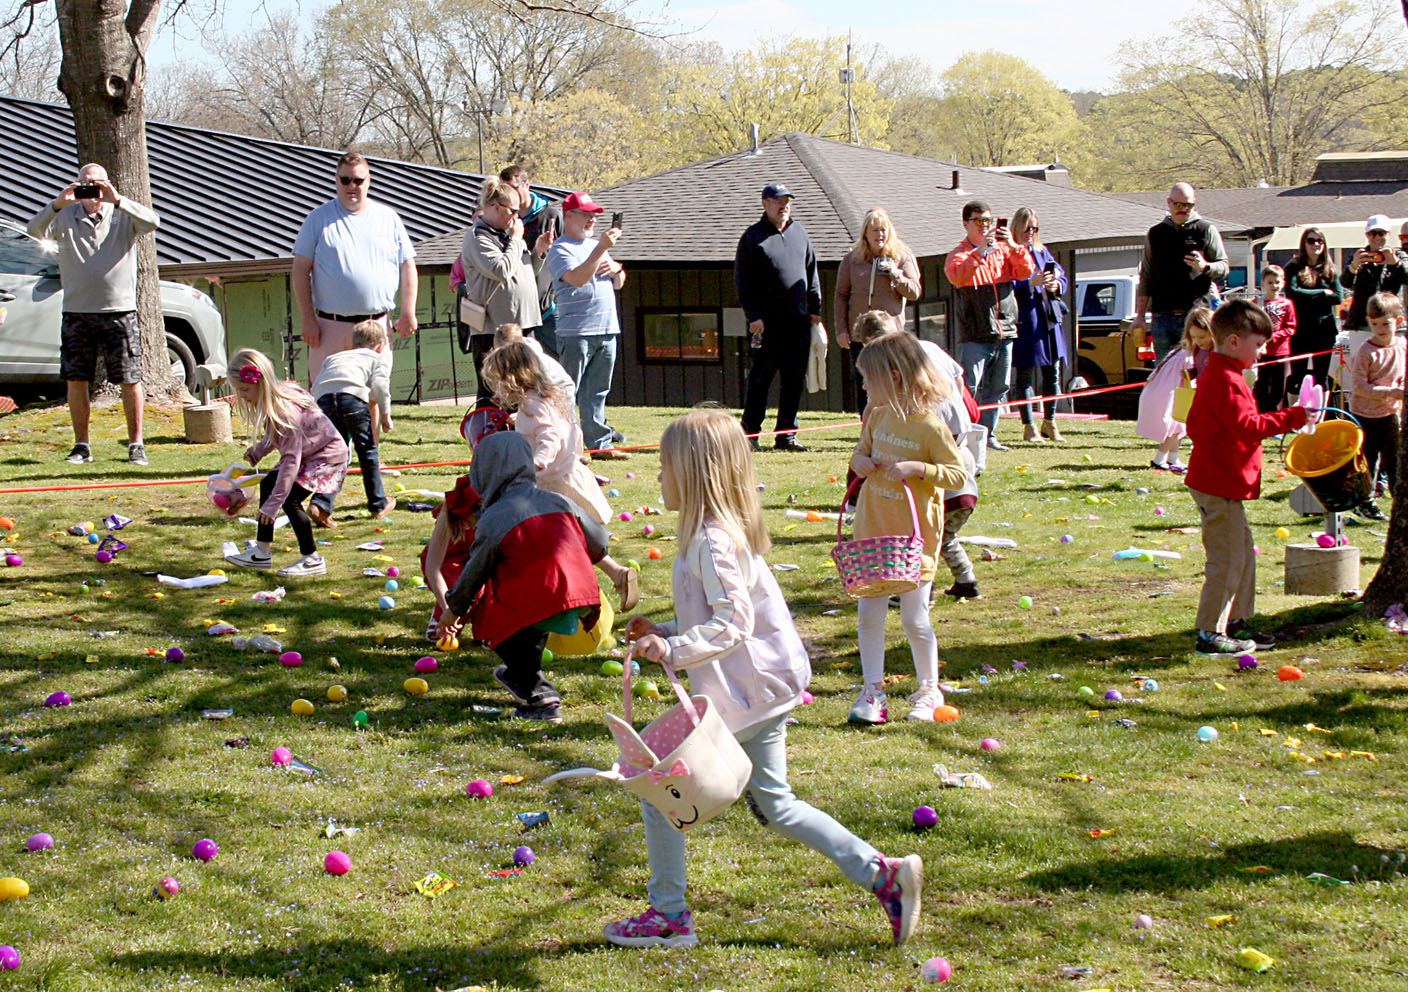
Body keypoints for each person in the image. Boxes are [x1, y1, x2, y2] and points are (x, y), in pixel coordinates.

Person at [608, 408, 923, 949]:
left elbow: (734, 621)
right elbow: (716, 614)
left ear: (694, 472)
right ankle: (883, 875)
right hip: (761, 690)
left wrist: (675, 646)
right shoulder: (712, 536)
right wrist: (663, 628)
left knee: (662, 789)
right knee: (777, 805)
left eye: (665, 467)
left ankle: (668, 916)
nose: (659, 478)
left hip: (745, 694)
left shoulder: (712, 541)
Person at [438, 432, 610, 723]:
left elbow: (476, 570)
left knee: (493, 623)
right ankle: (523, 675)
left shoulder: (494, 518)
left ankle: (541, 698)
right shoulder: (560, 501)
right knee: (529, 630)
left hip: (537, 600)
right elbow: (600, 542)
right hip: (578, 596)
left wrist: (453, 609)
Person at [847, 333, 969, 724]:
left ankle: (929, 688)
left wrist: (918, 469)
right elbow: (860, 451)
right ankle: (872, 691)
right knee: (869, 616)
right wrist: (861, 461)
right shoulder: (877, 416)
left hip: (914, 541)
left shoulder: (930, 428)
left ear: (895, 377)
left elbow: (956, 474)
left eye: (869, 379)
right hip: (872, 533)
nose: (864, 386)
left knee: (914, 618)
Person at [1184, 299, 1309, 657]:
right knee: (1226, 560)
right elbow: (1246, 427)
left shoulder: (1228, 376)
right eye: (1258, 345)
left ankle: (1237, 620)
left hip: (1225, 482)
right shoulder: (1224, 379)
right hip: (1216, 484)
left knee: (1244, 555)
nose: (1263, 351)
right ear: (1235, 342)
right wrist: (1292, 417)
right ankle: (1209, 632)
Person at [479, 341, 640, 610]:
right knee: (574, 540)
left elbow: (549, 438)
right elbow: (558, 428)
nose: (498, 389)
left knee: (562, 544)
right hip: (566, 476)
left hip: (555, 485)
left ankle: (575, 595)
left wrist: (535, 463)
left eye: (499, 381)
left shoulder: (533, 404)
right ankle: (612, 575)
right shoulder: (544, 398)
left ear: (513, 377)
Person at [27, 162, 160, 466]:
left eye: (98, 183)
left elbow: (153, 222)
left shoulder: (123, 215)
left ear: (107, 184)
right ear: (77, 184)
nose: (92, 189)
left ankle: (136, 444)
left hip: (119, 311)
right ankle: (82, 445)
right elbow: (34, 230)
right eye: (86, 183)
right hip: (77, 311)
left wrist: (118, 200)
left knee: (130, 379)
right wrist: (58, 204)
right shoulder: (65, 217)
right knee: (77, 379)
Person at [854, 311, 983, 599]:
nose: (865, 384)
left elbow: (950, 468)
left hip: (943, 472)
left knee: (929, 535)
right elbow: (959, 381)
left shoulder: (920, 420)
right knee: (935, 536)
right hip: (960, 446)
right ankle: (959, 582)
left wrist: (917, 466)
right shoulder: (926, 354)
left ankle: (919, 589)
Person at [291, 152, 417, 382]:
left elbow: (408, 266)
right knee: (330, 396)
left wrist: (408, 312)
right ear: (336, 180)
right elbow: (300, 270)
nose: (352, 186)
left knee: (374, 397)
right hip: (330, 327)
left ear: (369, 180)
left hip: (376, 325)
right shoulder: (318, 219)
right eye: (345, 180)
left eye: (358, 180)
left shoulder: (388, 218)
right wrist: (308, 319)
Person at [223, 349, 349, 578]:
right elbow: (276, 435)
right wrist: (259, 451)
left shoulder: (286, 413)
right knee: (268, 484)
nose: (242, 396)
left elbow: (291, 461)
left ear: (262, 384)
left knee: (289, 500)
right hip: (312, 451)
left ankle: (312, 559)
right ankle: (261, 553)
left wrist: (273, 505)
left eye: (244, 389)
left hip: (326, 457)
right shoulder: (276, 399)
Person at [735, 182, 826, 452]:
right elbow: (743, 282)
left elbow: (811, 275)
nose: (784, 206)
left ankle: (786, 436)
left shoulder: (800, 233)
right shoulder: (753, 237)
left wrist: (815, 312)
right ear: (765, 204)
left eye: (787, 201)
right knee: (760, 380)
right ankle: (750, 435)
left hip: (797, 322)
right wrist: (753, 316)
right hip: (765, 324)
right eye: (778, 201)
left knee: (794, 380)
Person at [944, 200, 1036, 452]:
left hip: (1005, 330)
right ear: (966, 224)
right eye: (978, 221)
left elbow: (1025, 271)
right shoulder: (959, 253)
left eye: (988, 221)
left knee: (998, 388)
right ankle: (961, 436)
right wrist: (980, 252)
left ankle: (989, 435)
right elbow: (958, 275)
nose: (985, 226)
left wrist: (1014, 245)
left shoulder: (1003, 251)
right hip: (976, 333)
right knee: (968, 387)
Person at [545, 192, 629, 460]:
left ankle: (600, 445)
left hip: (606, 328)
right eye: (586, 214)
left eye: (594, 215)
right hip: (576, 332)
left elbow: (619, 281)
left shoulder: (596, 245)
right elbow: (578, 278)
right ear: (569, 216)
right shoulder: (560, 249)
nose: (592, 219)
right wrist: (601, 249)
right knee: (568, 393)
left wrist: (616, 270)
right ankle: (569, 448)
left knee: (597, 392)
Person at [462, 177, 552, 403]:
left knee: (524, 384)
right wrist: (515, 238)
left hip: (523, 322)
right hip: (492, 328)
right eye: (512, 211)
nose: (517, 217)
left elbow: (525, 270)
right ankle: (487, 434)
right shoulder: (477, 236)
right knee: (493, 389)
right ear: (494, 207)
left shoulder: (511, 235)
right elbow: (501, 270)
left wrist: (538, 252)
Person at [306, 319, 395, 524]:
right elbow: (380, 387)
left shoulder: (334, 357)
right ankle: (378, 503)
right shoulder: (376, 358)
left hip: (325, 400)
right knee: (367, 450)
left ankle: (321, 503)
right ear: (381, 346)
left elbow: (318, 383)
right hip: (352, 399)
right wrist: (386, 416)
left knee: (337, 453)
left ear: (353, 344)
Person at [834, 207, 921, 412]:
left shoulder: (902, 257)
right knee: (864, 382)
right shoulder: (852, 259)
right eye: (874, 230)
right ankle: (868, 429)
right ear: (865, 233)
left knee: (893, 379)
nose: (879, 235)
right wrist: (841, 330)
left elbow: (914, 292)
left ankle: (895, 423)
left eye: (883, 230)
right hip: (861, 336)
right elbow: (840, 295)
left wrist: (895, 274)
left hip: (890, 335)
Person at [1131, 183, 1229, 361]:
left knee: (1197, 370)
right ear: (1169, 203)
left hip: (1196, 317)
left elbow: (1224, 267)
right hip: (1162, 317)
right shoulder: (1155, 233)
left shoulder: (1206, 230)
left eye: (1188, 205)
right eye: (1179, 205)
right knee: (1165, 373)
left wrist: (1206, 267)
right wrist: (1139, 316)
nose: (1184, 209)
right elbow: (1146, 276)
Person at [1009, 207, 1068, 443]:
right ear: (1016, 229)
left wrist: (1056, 285)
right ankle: (1029, 425)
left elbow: (1061, 275)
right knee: (1025, 375)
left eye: (1035, 228)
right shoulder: (1009, 253)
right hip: (1027, 320)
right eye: (1026, 228)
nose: (1030, 233)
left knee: (1052, 374)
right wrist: (1029, 283)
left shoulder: (1043, 251)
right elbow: (1007, 286)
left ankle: (1050, 422)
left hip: (1049, 320)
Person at [1348, 293, 1405, 520]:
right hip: (1365, 414)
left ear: (1398, 322)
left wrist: (1398, 391)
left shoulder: (1402, 345)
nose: (1380, 329)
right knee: (1367, 461)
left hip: (1391, 413)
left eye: (1386, 324)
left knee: (1394, 460)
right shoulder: (1366, 351)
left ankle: (1398, 501)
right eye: (1375, 324)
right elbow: (1360, 386)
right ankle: (1364, 502)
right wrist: (1388, 392)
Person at [1137, 308, 1214, 473]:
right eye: (1194, 337)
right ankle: (1162, 458)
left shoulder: (1211, 352)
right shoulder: (1189, 353)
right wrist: (1192, 374)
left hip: (1206, 395)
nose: (1198, 341)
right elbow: (1198, 371)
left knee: (1180, 427)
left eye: (1201, 337)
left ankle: (1173, 457)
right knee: (1176, 426)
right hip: (1180, 393)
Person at [501, 165, 563, 360]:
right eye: (504, 190)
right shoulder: (504, 220)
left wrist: (555, 297)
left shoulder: (551, 215)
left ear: (527, 185)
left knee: (559, 368)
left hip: (547, 309)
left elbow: (565, 257)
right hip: (517, 311)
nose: (510, 195)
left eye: (513, 188)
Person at [421, 472, 480, 645]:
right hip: (449, 562)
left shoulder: (499, 514)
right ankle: (439, 618)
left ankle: (487, 623)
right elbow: (434, 567)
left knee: (484, 588)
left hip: (479, 560)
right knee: (456, 580)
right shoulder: (450, 510)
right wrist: (448, 609)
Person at [1283, 227, 1343, 394]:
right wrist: (1323, 292)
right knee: (1298, 377)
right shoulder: (1294, 266)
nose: (1315, 244)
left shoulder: (1330, 268)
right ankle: (1297, 416)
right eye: (1311, 240)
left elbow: (1338, 297)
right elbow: (1293, 293)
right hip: (1300, 331)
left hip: (1324, 331)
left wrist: (1307, 294)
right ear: (1304, 244)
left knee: (1321, 378)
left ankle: (1321, 417)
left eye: (1319, 240)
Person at [1339, 214, 1406, 332]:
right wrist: (1354, 266)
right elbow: (1345, 283)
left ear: (1389, 234)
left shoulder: (1399, 256)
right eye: (1373, 233)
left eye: (1382, 233)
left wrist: (1395, 263)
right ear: (1367, 235)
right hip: (1361, 322)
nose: (1377, 237)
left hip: (1392, 321)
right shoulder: (1359, 256)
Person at [1253, 265, 1296, 413]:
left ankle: (1276, 416)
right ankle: (1262, 414)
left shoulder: (1287, 304)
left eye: (1277, 282)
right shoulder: (1256, 304)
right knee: (1261, 385)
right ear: (1263, 283)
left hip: (1281, 352)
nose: (1274, 286)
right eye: (1270, 282)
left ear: (1283, 283)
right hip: (1261, 353)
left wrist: (1273, 337)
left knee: (1279, 387)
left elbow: (1291, 328)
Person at [493, 322, 575, 398]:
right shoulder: (517, 357)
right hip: (541, 391)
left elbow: (545, 384)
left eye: (504, 353)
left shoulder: (536, 359)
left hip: (560, 390)